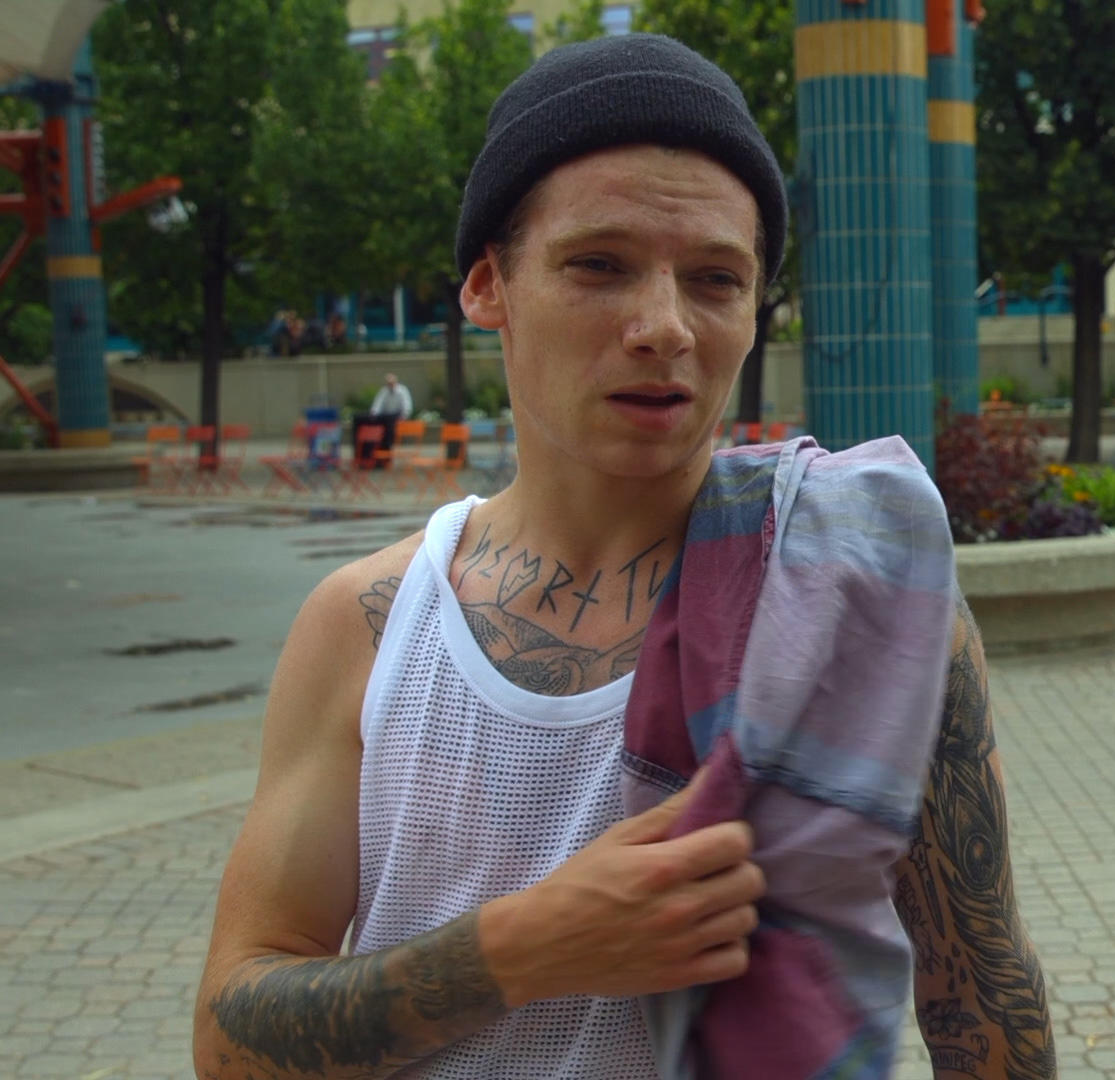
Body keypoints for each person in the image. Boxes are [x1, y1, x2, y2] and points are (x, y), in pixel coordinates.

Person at [192, 33, 1056, 1080]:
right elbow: (229, 1038)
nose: (663, 327)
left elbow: (981, 999)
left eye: (715, 279)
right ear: (488, 286)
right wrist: (523, 948)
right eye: (598, 265)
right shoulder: (370, 624)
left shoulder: (853, 594)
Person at [360, 372, 413, 468]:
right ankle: (373, 458)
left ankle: (386, 456)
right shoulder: (384, 391)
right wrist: (373, 414)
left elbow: (406, 405)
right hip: (386, 417)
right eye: (388, 383)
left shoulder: (402, 391)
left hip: (396, 417)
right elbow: (378, 404)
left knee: (389, 433)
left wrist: (404, 416)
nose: (390, 385)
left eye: (391, 382)